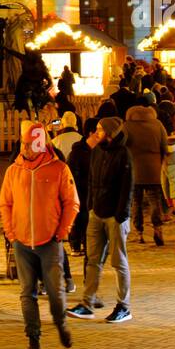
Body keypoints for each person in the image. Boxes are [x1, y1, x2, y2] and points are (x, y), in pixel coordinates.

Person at [0, 120, 79, 349]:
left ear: (39, 143)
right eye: (22, 143)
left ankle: (60, 322)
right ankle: (33, 343)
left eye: (28, 143)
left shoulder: (59, 169)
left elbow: (71, 202)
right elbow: (5, 203)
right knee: (27, 294)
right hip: (22, 243)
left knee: (55, 293)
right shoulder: (14, 170)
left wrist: (63, 231)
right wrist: (11, 233)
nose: (24, 148)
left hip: (50, 242)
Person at [67, 115, 134, 324]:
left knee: (118, 261)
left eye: (100, 130)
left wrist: (121, 214)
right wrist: (90, 205)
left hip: (115, 216)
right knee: (92, 260)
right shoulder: (96, 151)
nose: (97, 133)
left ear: (111, 133)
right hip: (96, 213)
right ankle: (87, 303)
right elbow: (91, 180)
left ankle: (124, 305)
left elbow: (127, 186)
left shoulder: (124, 155)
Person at [123, 98, 169, 245]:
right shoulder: (157, 124)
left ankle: (139, 233)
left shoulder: (127, 126)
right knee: (155, 200)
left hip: (134, 168)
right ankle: (157, 229)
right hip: (153, 168)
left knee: (136, 202)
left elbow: (122, 146)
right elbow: (165, 146)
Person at [66, 120, 95, 255]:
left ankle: (86, 242)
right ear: (91, 133)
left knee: (87, 219)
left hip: (91, 193)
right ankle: (75, 244)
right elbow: (73, 174)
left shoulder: (97, 150)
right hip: (80, 191)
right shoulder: (77, 152)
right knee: (79, 218)